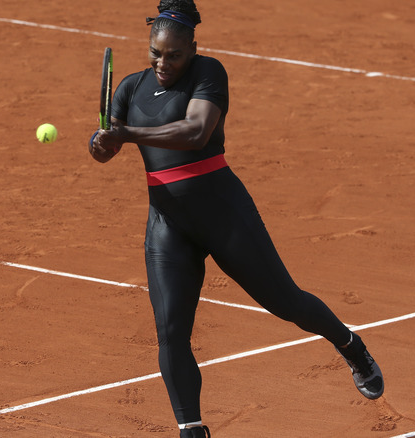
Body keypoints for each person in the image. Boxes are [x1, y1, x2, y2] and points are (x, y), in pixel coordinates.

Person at [89, 1, 384, 436]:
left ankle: (351, 345)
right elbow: (108, 146)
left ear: (192, 48)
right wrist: (101, 146)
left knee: (287, 303)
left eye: (173, 54)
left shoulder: (209, 74)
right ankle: (192, 428)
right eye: (156, 53)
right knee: (171, 332)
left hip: (223, 213)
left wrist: (128, 133)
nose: (163, 62)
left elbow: (196, 132)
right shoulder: (130, 89)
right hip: (168, 224)